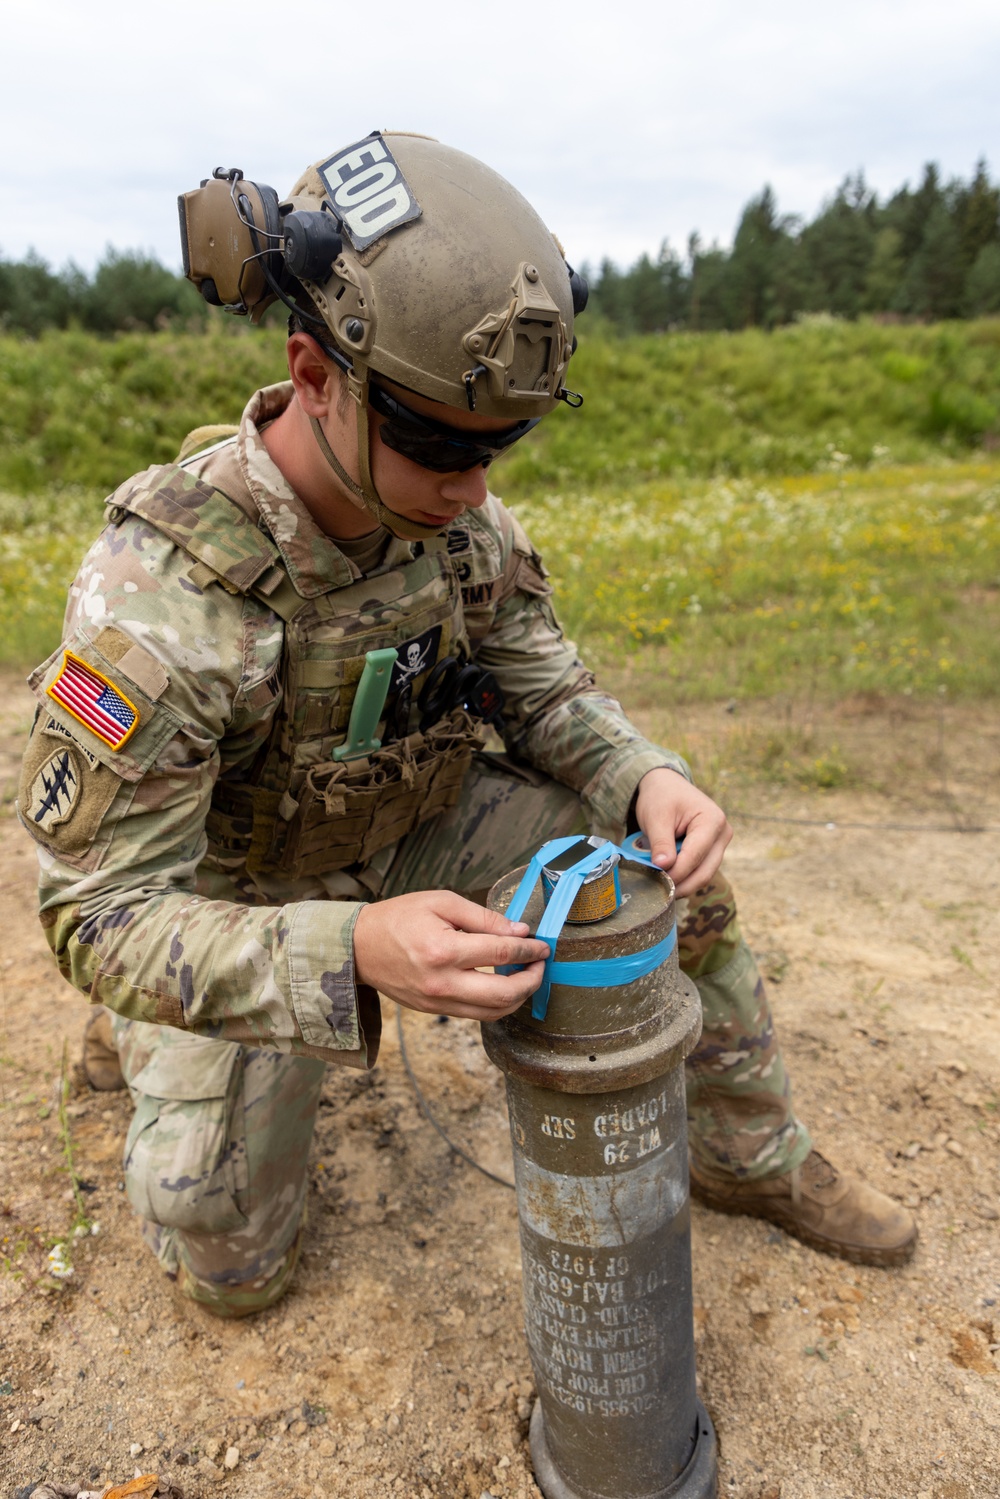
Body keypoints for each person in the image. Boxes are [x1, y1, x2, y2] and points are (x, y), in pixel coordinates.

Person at [18, 132, 915, 1319]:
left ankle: (746, 1152)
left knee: (667, 887)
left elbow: (541, 687)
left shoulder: (456, 523)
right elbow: (98, 910)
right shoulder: (166, 593)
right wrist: (349, 950)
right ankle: (142, 1045)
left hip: (415, 821)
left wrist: (644, 773)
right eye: (439, 445)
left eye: (499, 449)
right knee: (226, 1253)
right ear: (315, 368)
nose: (473, 488)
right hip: (239, 889)